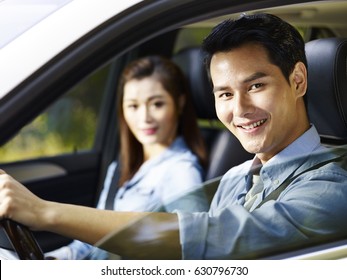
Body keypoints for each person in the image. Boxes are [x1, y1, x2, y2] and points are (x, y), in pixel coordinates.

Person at [1, 13, 347, 260]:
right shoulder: (237, 177)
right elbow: (159, 219)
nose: (239, 109)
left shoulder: (330, 190)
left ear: (298, 80)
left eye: (256, 86)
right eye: (224, 94)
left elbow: (198, 236)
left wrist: (45, 213)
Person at [2, 55, 209, 260]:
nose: (144, 118)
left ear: (179, 103)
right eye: (133, 106)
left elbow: (189, 245)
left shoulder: (182, 169)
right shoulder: (121, 165)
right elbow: (93, 240)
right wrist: (54, 260)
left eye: (156, 104)